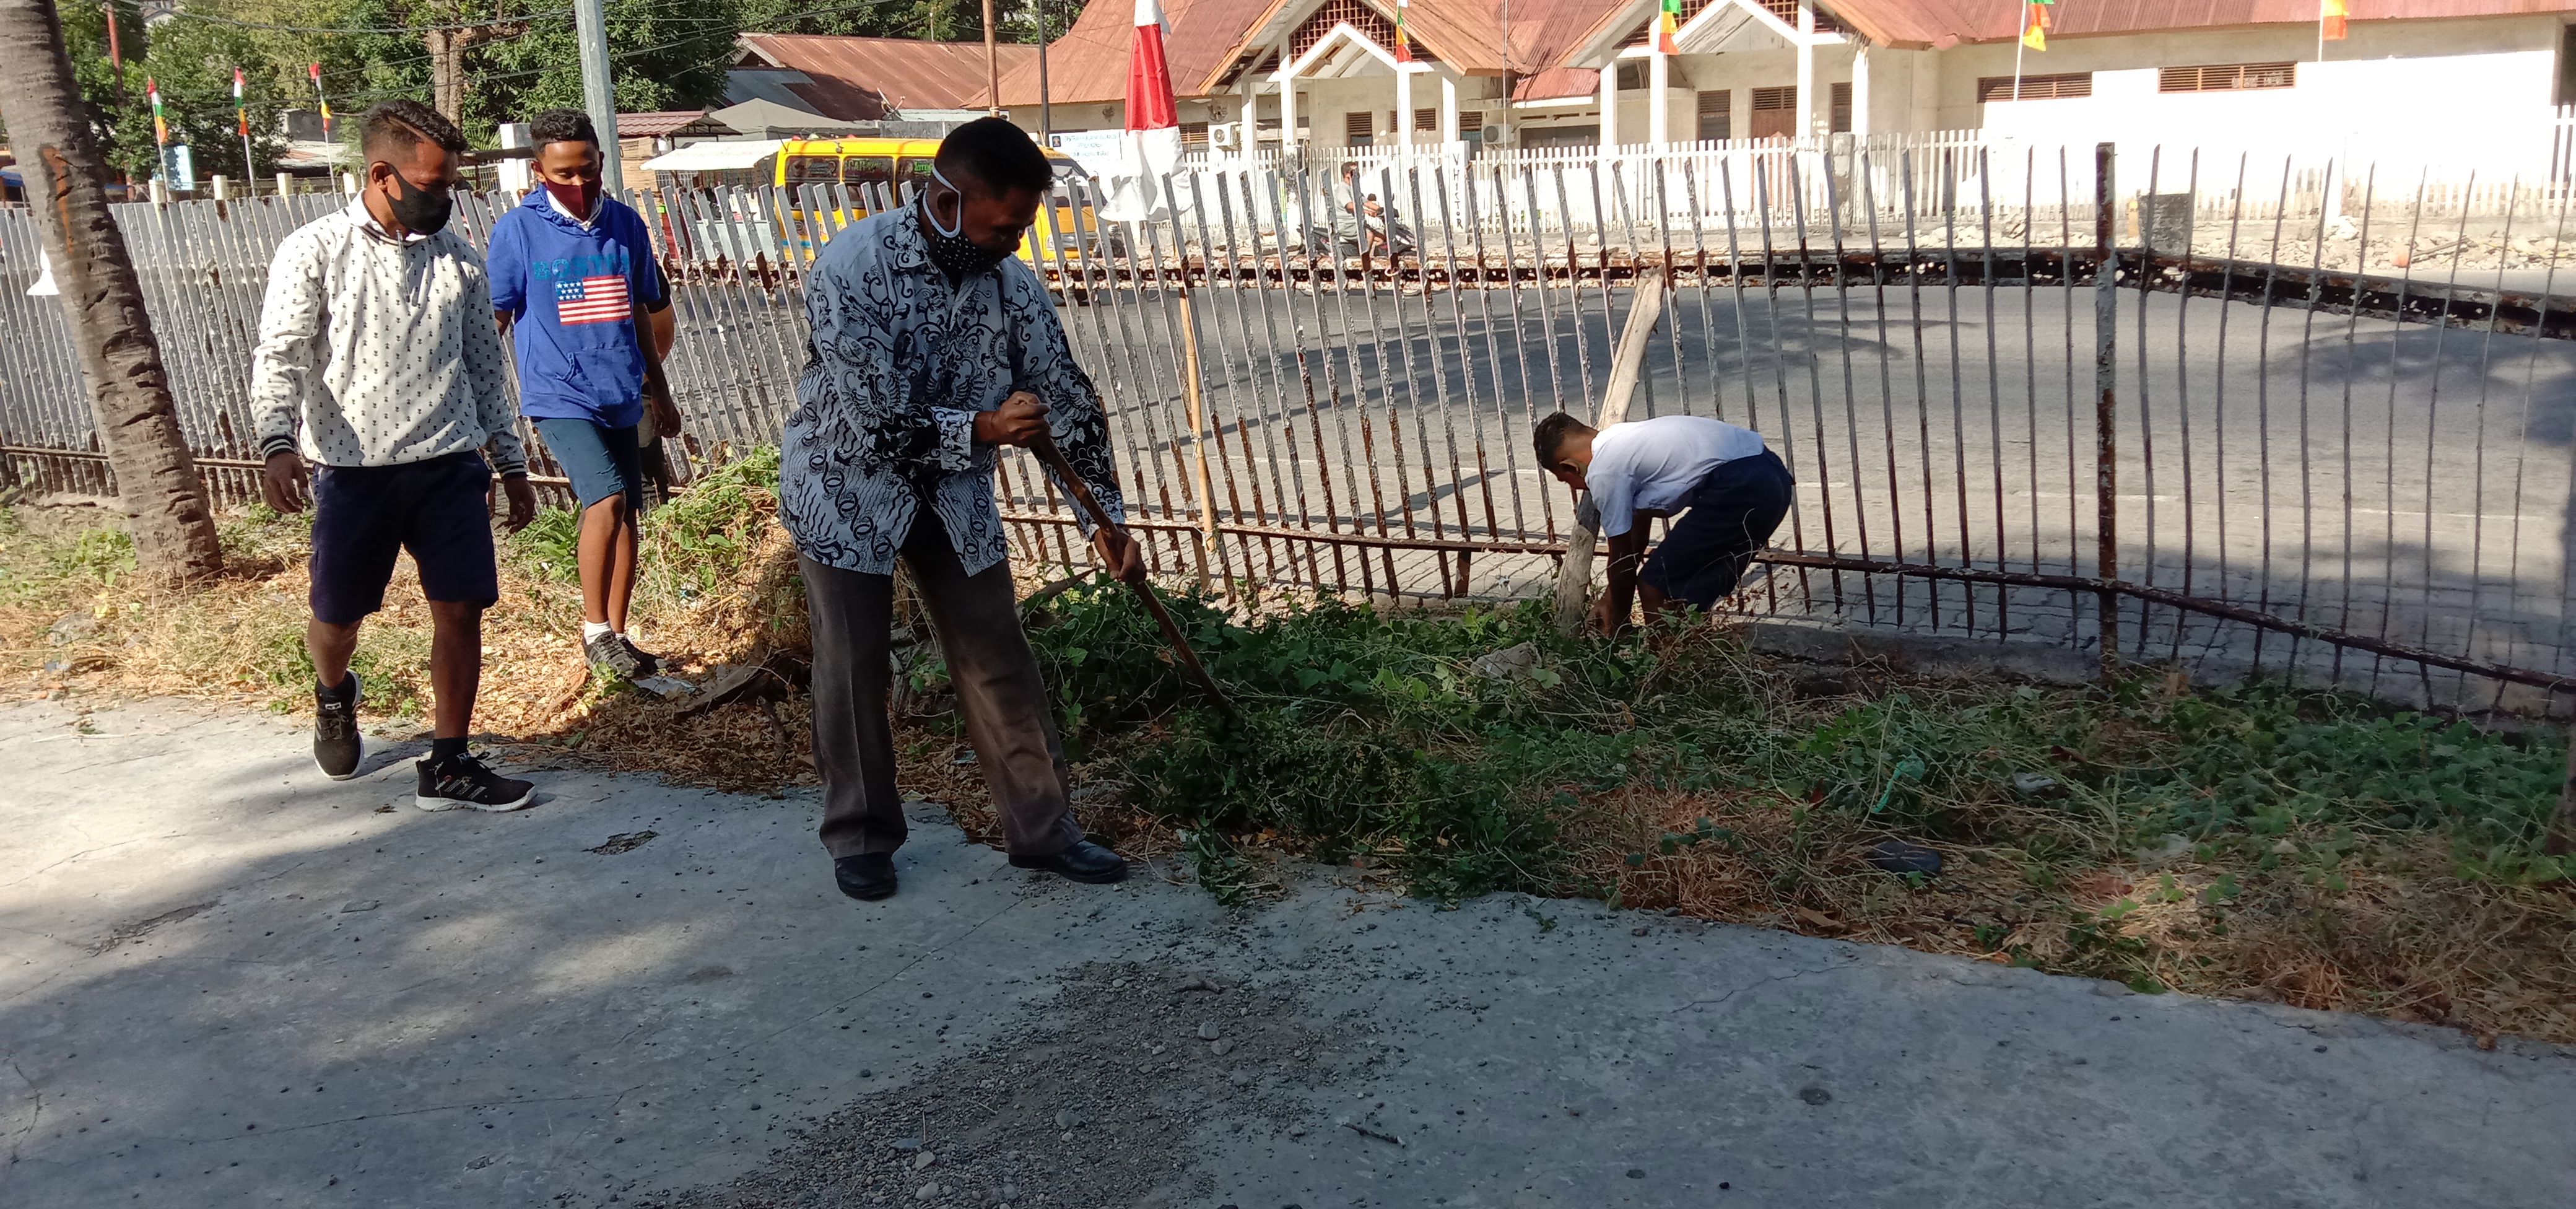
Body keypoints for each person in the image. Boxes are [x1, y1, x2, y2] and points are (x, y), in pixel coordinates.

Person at [783, 117, 1146, 902]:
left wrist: (1104, 520)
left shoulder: (1011, 284)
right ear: (946, 200)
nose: (1015, 243)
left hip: (953, 495)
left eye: (1024, 228)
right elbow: (874, 417)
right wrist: (984, 427)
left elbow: (1067, 401)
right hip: (846, 487)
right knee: (853, 666)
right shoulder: (852, 266)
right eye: (1004, 226)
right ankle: (862, 836)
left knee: (997, 656)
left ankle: (1044, 831)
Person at [249, 99, 539, 811]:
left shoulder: (460, 264)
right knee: (338, 619)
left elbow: (484, 371)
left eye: (451, 184)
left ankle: (449, 761)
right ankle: (333, 690)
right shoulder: (313, 251)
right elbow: (281, 355)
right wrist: (276, 441)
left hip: (447, 466)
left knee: (461, 610)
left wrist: (510, 463)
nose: (446, 197)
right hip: (353, 474)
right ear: (381, 175)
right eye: (434, 184)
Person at [484, 107, 680, 681]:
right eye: (564, 174)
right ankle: (594, 631)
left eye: (588, 170)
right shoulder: (517, 231)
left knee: (629, 515)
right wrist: (474, 397)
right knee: (606, 499)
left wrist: (658, 389)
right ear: (538, 171)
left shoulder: (626, 224)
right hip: (559, 393)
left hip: (620, 386)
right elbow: (496, 317)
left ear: (600, 160)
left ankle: (619, 635)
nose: (578, 184)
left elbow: (641, 310)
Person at [1533, 412, 1793, 635]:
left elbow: (1621, 556)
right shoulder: (1620, 439)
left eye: (1567, 482)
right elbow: (1637, 532)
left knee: (1655, 585)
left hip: (1741, 487)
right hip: (1770, 476)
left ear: (1570, 468)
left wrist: (1619, 627)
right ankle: (1694, 663)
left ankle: (1667, 678)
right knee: (1685, 592)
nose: (1577, 489)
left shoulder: (1604, 470)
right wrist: (1609, 598)